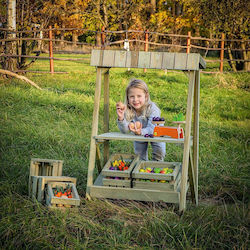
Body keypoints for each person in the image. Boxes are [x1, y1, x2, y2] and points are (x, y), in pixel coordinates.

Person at [116, 79, 166, 161]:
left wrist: (140, 132)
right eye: (132, 96)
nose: (135, 100)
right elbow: (125, 130)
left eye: (139, 96)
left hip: (156, 133)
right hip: (138, 134)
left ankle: (156, 170)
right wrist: (121, 118)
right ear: (127, 98)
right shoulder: (128, 109)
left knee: (159, 153)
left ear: (146, 96)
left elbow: (153, 129)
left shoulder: (153, 109)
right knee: (139, 156)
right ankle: (141, 170)